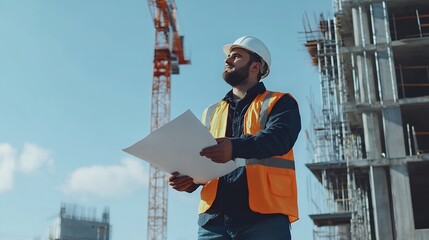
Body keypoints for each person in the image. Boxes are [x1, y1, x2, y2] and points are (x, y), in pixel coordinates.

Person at [169, 36, 301, 240]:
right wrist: (190, 181)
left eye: (236, 56)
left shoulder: (280, 102)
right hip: (214, 222)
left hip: (264, 218)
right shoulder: (211, 112)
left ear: (255, 66)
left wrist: (234, 148)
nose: (227, 60)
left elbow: (279, 138)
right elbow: (203, 160)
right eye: (228, 56)